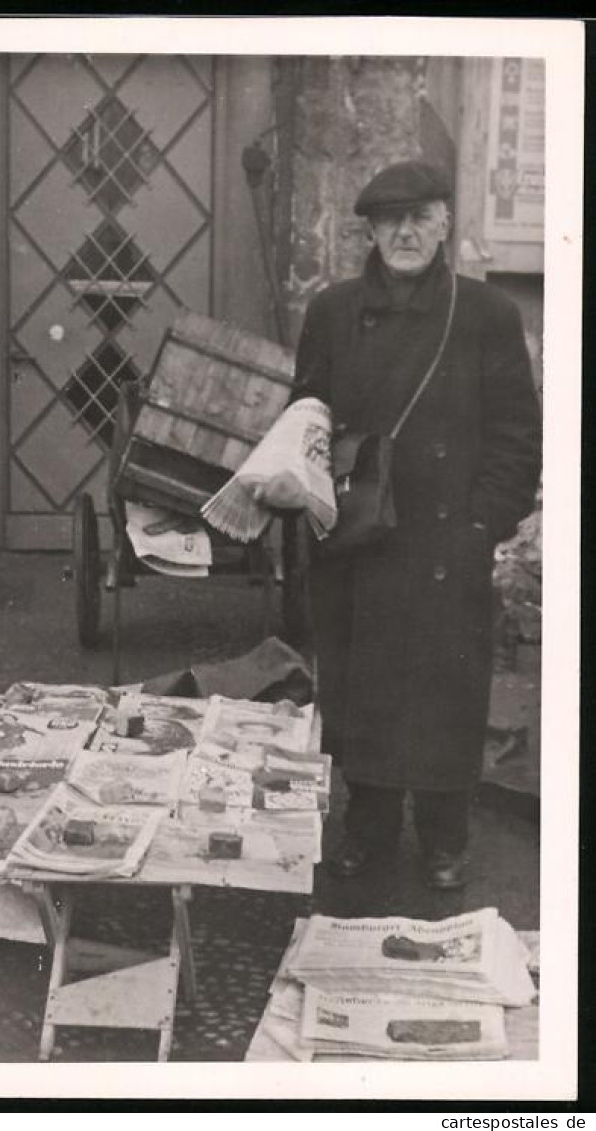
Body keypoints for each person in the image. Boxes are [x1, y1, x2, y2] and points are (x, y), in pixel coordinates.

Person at [283, 160, 542, 890]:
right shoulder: (332, 312)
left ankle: (442, 839)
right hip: (358, 539)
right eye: (388, 218)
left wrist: (480, 523)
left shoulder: (484, 314)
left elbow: (517, 435)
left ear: (443, 225)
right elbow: (306, 414)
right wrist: (308, 490)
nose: (403, 231)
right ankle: (364, 828)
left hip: (442, 539)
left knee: (444, 693)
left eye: (419, 216)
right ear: (367, 227)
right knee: (359, 690)